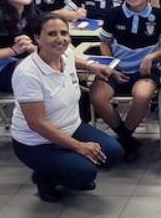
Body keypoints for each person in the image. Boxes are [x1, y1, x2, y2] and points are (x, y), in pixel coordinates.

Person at [11, 14, 123, 201]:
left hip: (71, 127)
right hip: (37, 142)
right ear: (37, 38)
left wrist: (92, 66)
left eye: (64, 33)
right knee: (85, 172)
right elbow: (37, 123)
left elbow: (74, 58)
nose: (60, 39)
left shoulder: (65, 54)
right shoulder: (27, 73)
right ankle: (44, 177)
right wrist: (79, 146)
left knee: (113, 153)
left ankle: (65, 166)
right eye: (52, 34)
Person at [89, 0, 161, 160]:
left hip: (145, 71)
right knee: (96, 96)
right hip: (116, 68)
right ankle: (126, 138)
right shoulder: (114, 14)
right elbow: (105, 42)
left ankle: (123, 139)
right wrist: (111, 66)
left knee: (142, 95)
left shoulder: (159, 16)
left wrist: (152, 56)